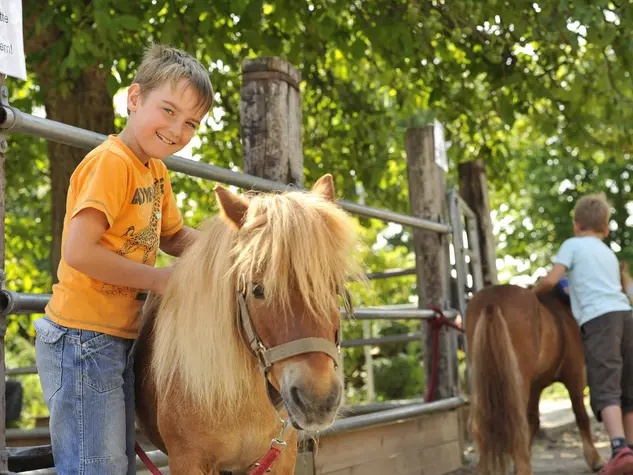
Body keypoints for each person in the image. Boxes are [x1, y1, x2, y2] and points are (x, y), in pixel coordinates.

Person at [33, 43, 214, 475]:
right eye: (168, 110)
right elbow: (79, 252)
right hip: (82, 339)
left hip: (116, 339)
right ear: (134, 99)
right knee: (95, 468)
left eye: (190, 122)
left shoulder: (154, 170)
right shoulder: (111, 163)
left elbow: (171, 236)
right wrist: (160, 282)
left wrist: (225, 252)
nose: (177, 129)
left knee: (115, 465)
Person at [533, 193, 633, 475]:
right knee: (628, 386)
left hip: (599, 321)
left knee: (605, 383)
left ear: (576, 225)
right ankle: (631, 450)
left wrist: (532, 294)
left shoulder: (572, 245)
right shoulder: (608, 252)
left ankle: (618, 450)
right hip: (625, 317)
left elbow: (553, 279)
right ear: (606, 229)